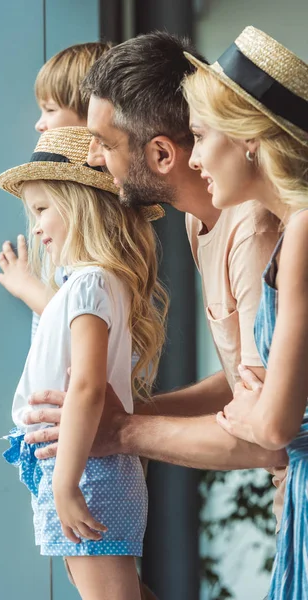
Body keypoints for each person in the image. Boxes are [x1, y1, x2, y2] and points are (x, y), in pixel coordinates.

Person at [23, 32, 287, 520]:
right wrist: (130, 413)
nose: (94, 159)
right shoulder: (198, 217)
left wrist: (123, 431)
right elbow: (245, 380)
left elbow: (272, 437)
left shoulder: (254, 233)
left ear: (162, 155)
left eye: (103, 143)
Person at [0, 126, 168, 600]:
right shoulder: (88, 284)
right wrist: (29, 286)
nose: (34, 226)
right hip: (80, 467)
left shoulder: (91, 284)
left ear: (79, 204)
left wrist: (67, 485)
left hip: (87, 470)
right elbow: (61, 323)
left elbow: (88, 387)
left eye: (41, 209)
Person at [183, 25, 308, 599]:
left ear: (249, 138)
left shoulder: (303, 230)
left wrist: (248, 411)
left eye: (201, 135)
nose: (194, 157)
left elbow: (275, 428)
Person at [0, 42, 111, 340]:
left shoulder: (96, 215)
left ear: (92, 116)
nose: (39, 124)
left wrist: (26, 287)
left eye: (49, 110)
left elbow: (83, 313)